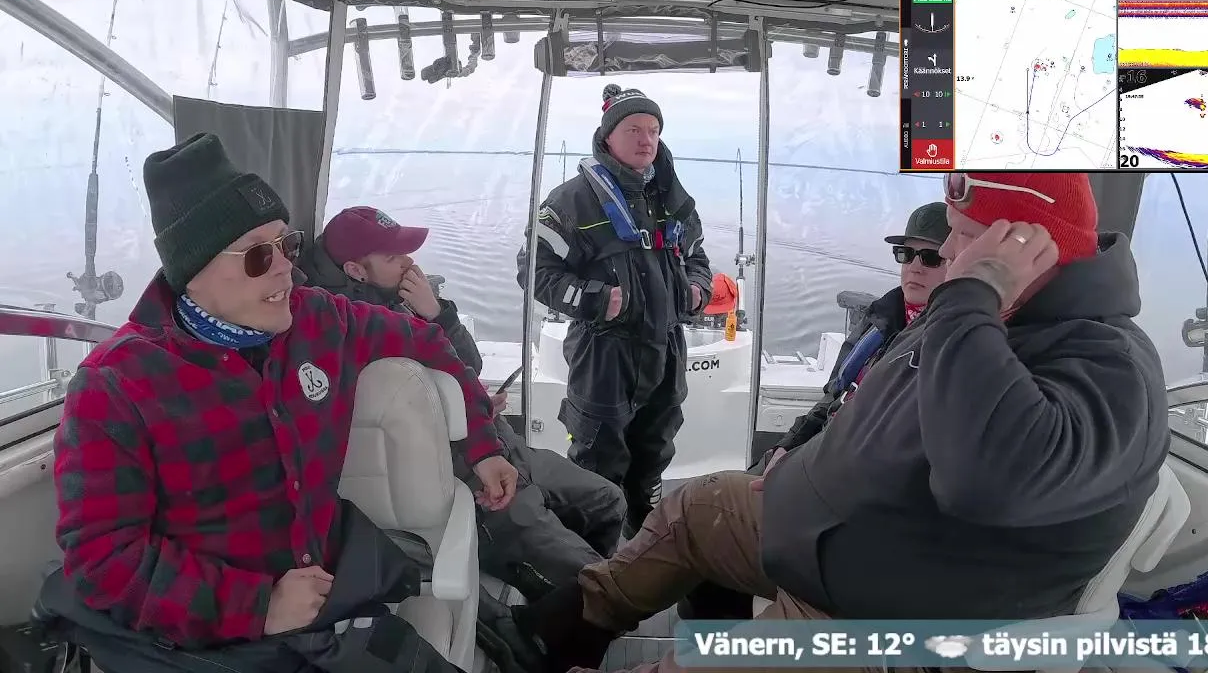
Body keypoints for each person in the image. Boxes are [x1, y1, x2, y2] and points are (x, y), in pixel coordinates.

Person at [512, 172, 1171, 673]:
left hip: (882, 609)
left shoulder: (1108, 366)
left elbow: (991, 480)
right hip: (825, 537)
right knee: (695, 510)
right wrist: (799, 466)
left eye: (966, 240)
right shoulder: (983, 315)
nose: (947, 254)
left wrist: (973, 295)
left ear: (1029, 251)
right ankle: (556, 633)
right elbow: (872, 412)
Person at [48, 134, 519, 665]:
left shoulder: (319, 319)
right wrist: (258, 606)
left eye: (286, 245)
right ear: (193, 270)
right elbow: (103, 559)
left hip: (332, 604)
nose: (285, 268)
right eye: (258, 255)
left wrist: (482, 444)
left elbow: (427, 340)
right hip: (212, 642)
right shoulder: (115, 387)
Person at [296, 205, 628, 601]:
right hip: (463, 475)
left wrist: (437, 313)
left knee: (609, 502)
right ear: (355, 270)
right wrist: (463, 412)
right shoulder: (339, 328)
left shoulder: (401, 298)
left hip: (499, 444)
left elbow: (468, 364)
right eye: (393, 256)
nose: (408, 263)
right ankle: (572, 605)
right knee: (595, 581)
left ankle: (570, 597)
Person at [678, 201, 952, 622]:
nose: (914, 266)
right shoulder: (883, 318)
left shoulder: (949, 345)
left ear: (959, 262)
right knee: (702, 543)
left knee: (715, 534)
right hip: (817, 453)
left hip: (848, 489)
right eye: (905, 253)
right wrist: (787, 447)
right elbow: (831, 399)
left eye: (930, 257)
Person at [516, 83, 714, 534]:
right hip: (604, 354)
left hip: (666, 349)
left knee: (655, 450)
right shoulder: (569, 202)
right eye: (634, 130)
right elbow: (534, 271)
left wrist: (697, 287)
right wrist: (594, 299)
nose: (647, 140)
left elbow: (697, 256)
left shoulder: (673, 199)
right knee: (597, 460)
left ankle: (644, 542)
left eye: (654, 130)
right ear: (607, 137)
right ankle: (592, 558)